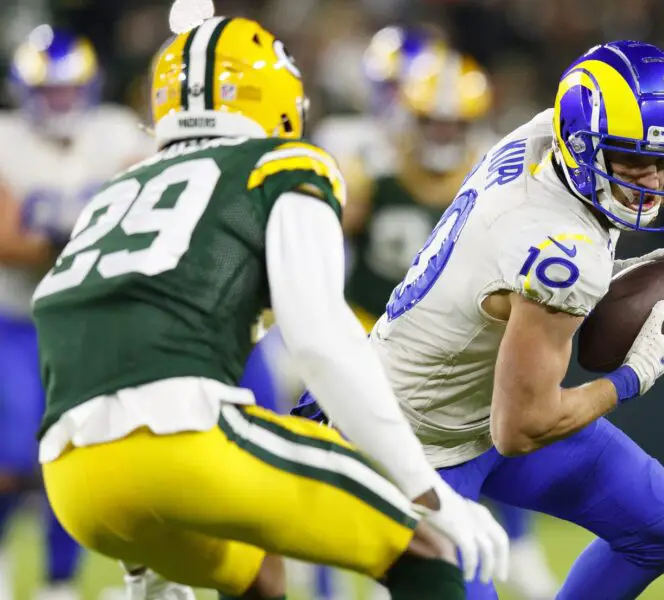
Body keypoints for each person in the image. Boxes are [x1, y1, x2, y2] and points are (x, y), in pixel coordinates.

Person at [31, 15, 508, 600]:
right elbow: (321, 339)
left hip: (73, 478)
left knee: (262, 573)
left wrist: (143, 558)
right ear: (272, 90)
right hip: (179, 441)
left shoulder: (118, 191)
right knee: (431, 542)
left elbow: (74, 325)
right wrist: (424, 491)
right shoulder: (280, 166)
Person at [288, 39, 664, 599]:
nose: (650, 182)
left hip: (470, 416)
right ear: (581, 145)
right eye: (630, 160)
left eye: (663, 162)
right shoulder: (558, 254)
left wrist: (598, 271)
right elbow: (520, 428)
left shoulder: (545, 135)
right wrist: (631, 376)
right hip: (408, 446)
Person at [0, 25, 154, 600]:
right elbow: (7, 241)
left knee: (79, 449)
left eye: (69, 90)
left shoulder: (114, 129)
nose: (60, 103)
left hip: (94, 319)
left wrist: (52, 234)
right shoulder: (6, 136)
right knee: (14, 456)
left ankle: (59, 582)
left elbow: (147, 211)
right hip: (19, 318)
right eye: (49, 91)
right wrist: (94, 232)